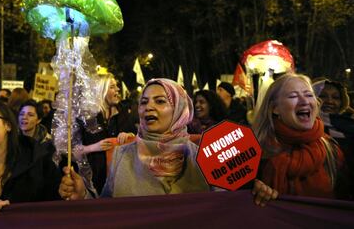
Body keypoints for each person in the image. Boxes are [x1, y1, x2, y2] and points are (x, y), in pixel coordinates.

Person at [59, 78, 277, 206]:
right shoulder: (121, 156)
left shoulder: (205, 156)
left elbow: (225, 208)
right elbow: (108, 211)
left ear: (179, 109)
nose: (148, 107)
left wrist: (252, 192)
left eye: (160, 101)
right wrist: (83, 195)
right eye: (144, 102)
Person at [252, 73, 348, 199]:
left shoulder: (332, 149)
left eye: (309, 95)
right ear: (275, 108)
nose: (304, 101)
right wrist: (252, 189)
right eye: (293, 96)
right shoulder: (255, 151)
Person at [78, 73, 137, 194]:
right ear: (101, 90)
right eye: (112, 87)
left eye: (116, 86)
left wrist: (129, 136)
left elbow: (137, 140)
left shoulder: (123, 114)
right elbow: (72, 151)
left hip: (118, 181)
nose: (118, 89)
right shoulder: (86, 118)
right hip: (92, 182)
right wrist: (94, 147)